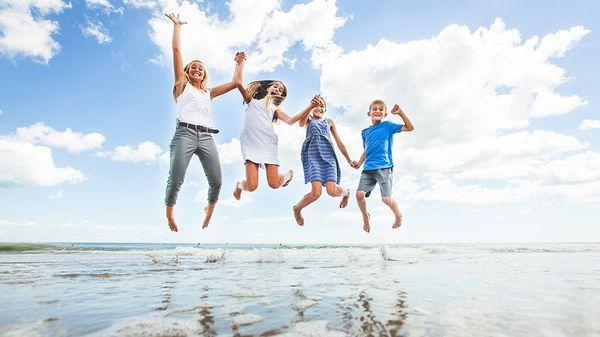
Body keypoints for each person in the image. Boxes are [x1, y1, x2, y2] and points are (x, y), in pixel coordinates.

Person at [164, 13, 244, 232]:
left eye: (201, 67)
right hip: (185, 134)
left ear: (204, 73)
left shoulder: (208, 92)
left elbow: (237, 83)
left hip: (207, 136)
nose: (197, 69)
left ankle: (209, 208)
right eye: (193, 67)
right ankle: (170, 212)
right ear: (187, 73)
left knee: (217, 180)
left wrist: (240, 62)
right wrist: (178, 26)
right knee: (177, 177)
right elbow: (177, 52)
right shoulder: (182, 85)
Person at [292, 95, 356, 226]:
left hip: (329, 158)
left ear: (325, 109)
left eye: (322, 105)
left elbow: (339, 142)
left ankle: (346, 193)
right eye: (316, 105)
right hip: (313, 157)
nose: (319, 107)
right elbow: (300, 123)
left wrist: (349, 159)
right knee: (316, 193)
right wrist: (309, 107)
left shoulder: (329, 122)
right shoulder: (309, 119)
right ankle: (297, 209)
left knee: (332, 191)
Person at [354, 100, 414, 233]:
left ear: (385, 114)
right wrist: (358, 163)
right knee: (359, 195)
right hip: (368, 168)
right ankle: (365, 216)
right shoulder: (365, 132)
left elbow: (410, 127)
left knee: (386, 199)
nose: (377, 111)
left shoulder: (387, 126)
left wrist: (400, 113)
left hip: (384, 167)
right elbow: (367, 150)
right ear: (368, 113)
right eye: (374, 109)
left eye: (381, 109)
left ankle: (398, 215)